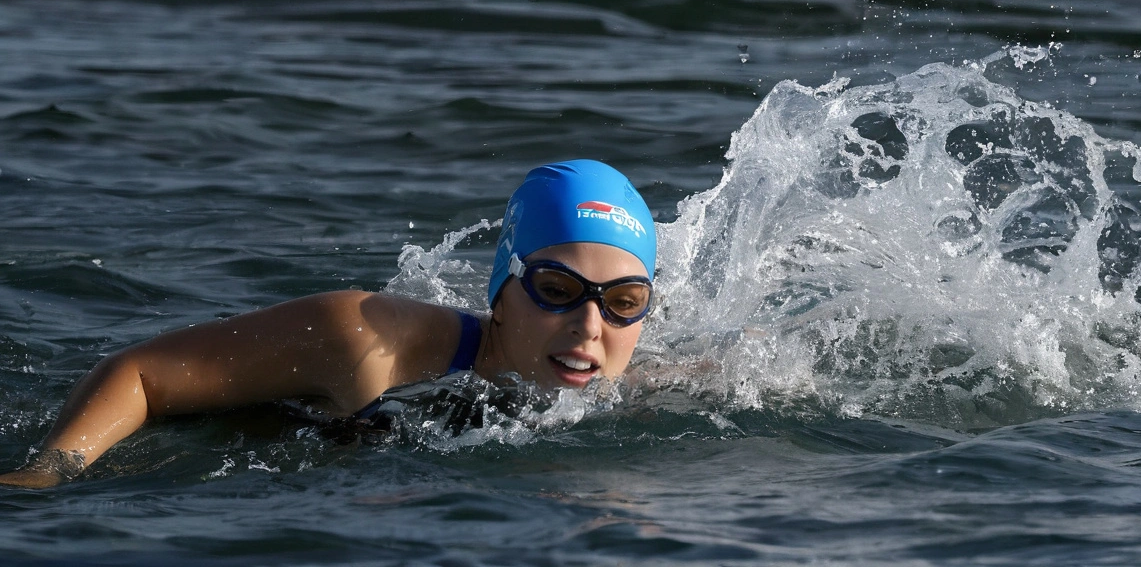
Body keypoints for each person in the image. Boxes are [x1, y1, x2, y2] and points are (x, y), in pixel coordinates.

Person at [0, 159, 657, 489]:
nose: (590, 325)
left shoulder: (625, 396)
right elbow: (140, 375)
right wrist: (50, 472)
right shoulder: (367, 343)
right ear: (502, 295)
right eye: (556, 289)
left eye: (623, 302)